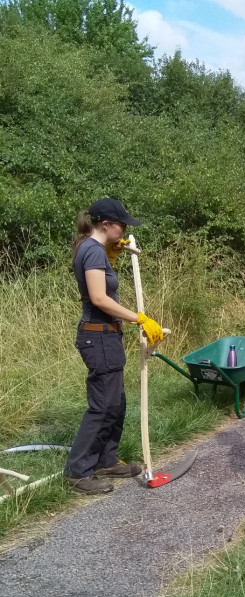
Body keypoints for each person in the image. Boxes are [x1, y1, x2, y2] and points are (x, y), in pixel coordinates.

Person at [64, 198, 164, 495]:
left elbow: (103, 283)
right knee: (102, 405)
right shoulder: (92, 250)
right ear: (105, 224)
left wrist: (111, 253)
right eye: (120, 226)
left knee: (116, 403)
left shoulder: (96, 250)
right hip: (98, 337)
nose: (123, 230)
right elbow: (99, 298)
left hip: (106, 336)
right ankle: (77, 471)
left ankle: (106, 459)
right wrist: (139, 318)